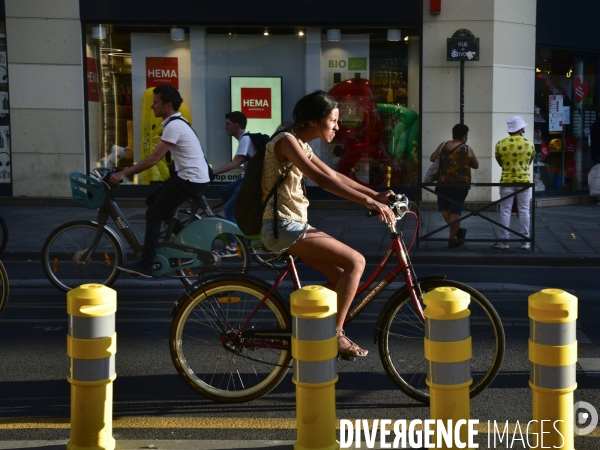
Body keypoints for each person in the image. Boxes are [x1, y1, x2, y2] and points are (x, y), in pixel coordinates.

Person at [259, 90, 396, 358]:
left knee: (340, 277)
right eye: (333, 120)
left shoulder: (300, 144)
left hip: (292, 225)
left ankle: (297, 319)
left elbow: (333, 174)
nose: (337, 126)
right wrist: (367, 203)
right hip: (282, 226)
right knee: (356, 262)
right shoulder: (286, 141)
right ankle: (336, 334)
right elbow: (321, 181)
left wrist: (375, 195)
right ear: (314, 120)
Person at [111, 85, 211, 277]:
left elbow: (153, 159)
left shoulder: (174, 126)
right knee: (152, 202)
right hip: (189, 176)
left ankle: (146, 264)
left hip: (190, 179)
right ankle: (183, 238)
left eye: (155, 102)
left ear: (168, 105)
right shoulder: (176, 124)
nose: (151, 106)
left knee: (154, 214)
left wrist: (124, 173)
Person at [212, 111, 255, 256]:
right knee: (223, 192)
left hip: (250, 182)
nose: (226, 127)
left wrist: (213, 173)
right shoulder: (245, 139)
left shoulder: (245, 140)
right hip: (246, 179)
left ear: (236, 125)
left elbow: (234, 164)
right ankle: (237, 222)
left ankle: (232, 246)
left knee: (229, 208)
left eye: (228, 124)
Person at [430, 124, 478, 248]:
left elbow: (432, 158)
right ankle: (453, 237)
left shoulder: (443, 145)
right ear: (464, 136)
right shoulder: (467, 149)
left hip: (443, 183)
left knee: (444, 209)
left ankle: (458, 232)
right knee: (455, 211)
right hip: (461, 185)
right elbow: (475, 165)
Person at [494, 115, 535, 250]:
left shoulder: (501, 144)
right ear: (521, 128)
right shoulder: (529, 143)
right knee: (524, 210)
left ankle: (504, 241)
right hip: (524, 181)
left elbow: (501, 163)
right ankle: (525, 241)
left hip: (506, 180)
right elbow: (529, 162)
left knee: (505, 210)